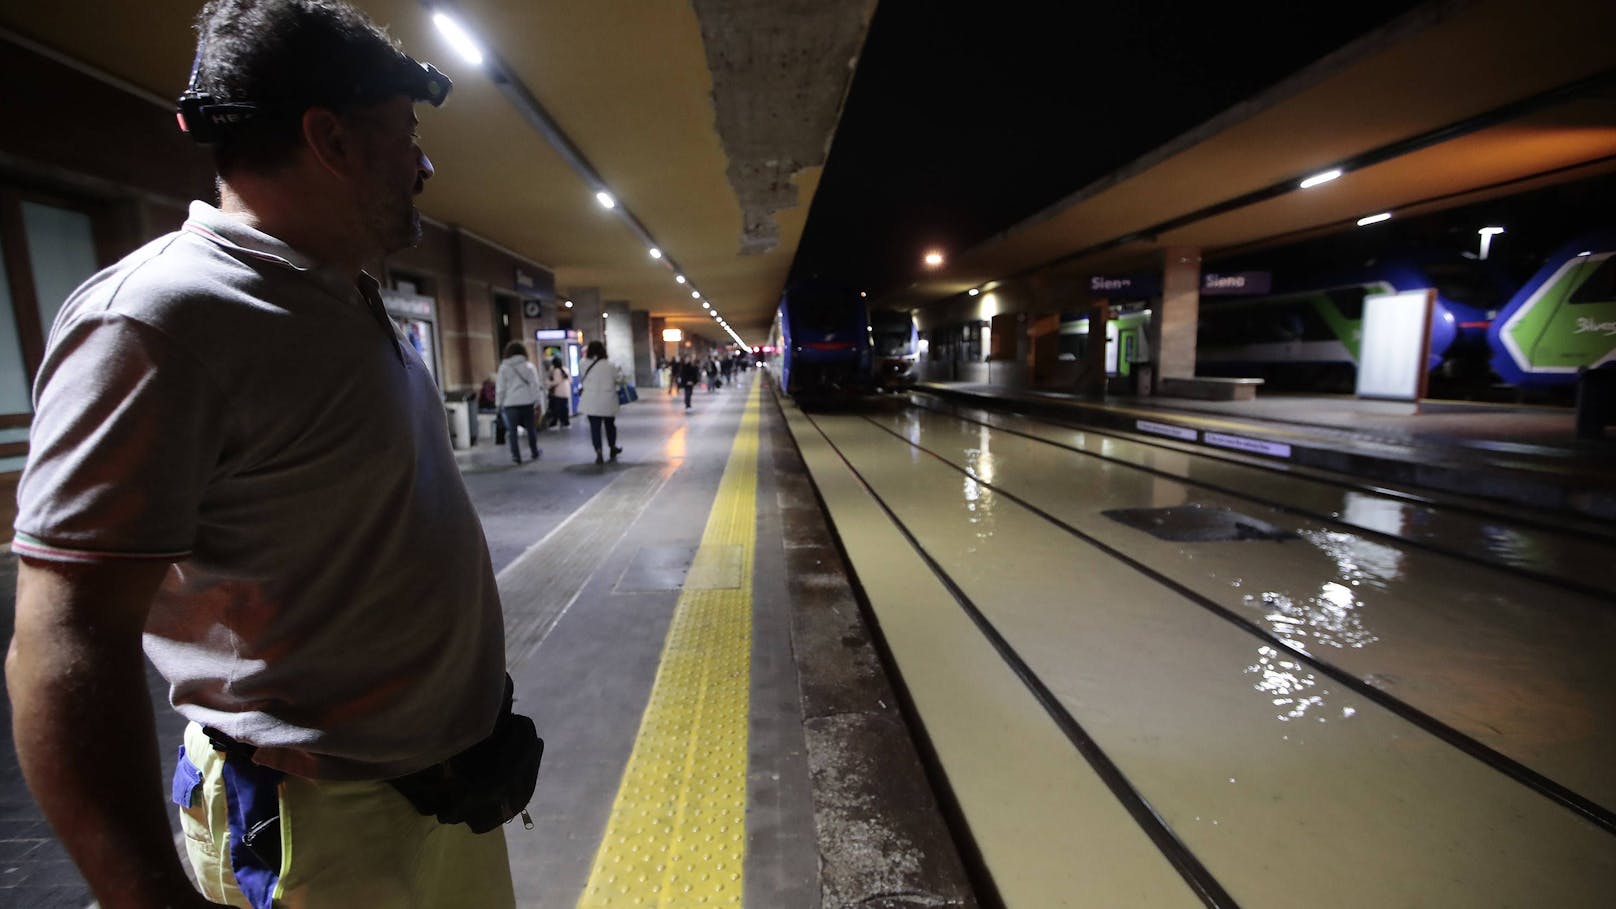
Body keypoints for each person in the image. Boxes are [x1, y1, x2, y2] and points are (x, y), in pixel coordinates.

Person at [6, 3, 538, 907]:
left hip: (443, 794)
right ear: (329, 138)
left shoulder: (343, 295)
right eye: (405, 135)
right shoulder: (159, 318)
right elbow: (65, 638)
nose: (424, 162)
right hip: (321, 833)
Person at [495, 340, 543, 464]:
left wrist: (498, 404)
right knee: (531, 428)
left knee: (512, 431)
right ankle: (534, 451)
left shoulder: (503, 368)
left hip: (510, 403)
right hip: (527, 402)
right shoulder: (529, 366)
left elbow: (500, 388)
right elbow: (535, 385)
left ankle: (516, 456)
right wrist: (537, 402)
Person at [578, 340, 624, 464]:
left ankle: (598, 451)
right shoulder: (610, 365)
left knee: (595, 427)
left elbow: (582, 376)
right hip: (607, 399)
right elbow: (619, 379)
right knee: (610, 425)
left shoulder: (583, 364)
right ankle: (612, 446)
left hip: (591, 400)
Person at [545, 355, 571, 428]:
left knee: (556, 409)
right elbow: (570, 380)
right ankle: (566, 423)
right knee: (564, 408)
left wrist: (547, 382)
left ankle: (554, 423)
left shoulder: (556, 370)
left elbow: (556, 382)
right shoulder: (566, 369)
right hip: (566, 392)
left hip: (558, 393)